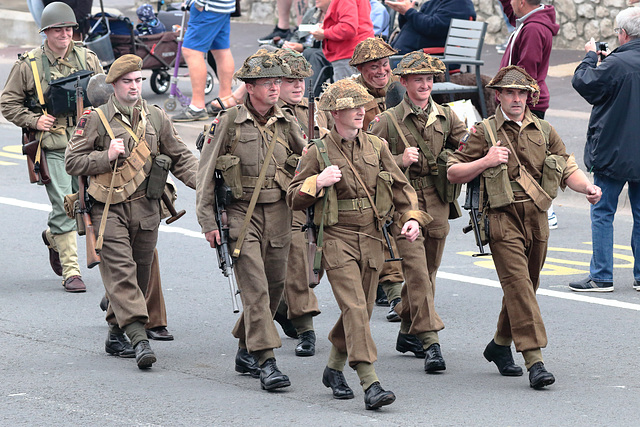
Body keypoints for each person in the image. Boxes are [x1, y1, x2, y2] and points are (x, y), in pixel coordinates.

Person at [447, 65, 602, 389]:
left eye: (522, 93)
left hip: (537, 219)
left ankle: (499, 345)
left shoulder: (544, 131)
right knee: (518, 286)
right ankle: (535, 360)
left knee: (527, 286)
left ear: (529, 97)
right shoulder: (483, 133)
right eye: (510, 93)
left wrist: (586, 188)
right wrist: (486, 161)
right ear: (499, 96)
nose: (517, 99)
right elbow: (453, 172)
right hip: (502, 220)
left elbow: (566, 166)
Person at [288, 78, 429, 409]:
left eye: (361, 107)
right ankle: (370, 382)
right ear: (336, 114)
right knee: (354, 307)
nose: (360, 112)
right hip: (336, 238)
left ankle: (333, 368)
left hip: (372, 237)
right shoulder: (318, 151)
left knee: (361, 311)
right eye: (351, 108)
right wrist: (317, 182)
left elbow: (401, 188)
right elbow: (293, 196)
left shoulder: (376, 148)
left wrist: (411, 217)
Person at [65, 54, 199, 369]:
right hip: (108, 208)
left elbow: (180, 157)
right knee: (121, 273)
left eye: (138, 80)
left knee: (139, 274)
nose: (135, 86)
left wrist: (205, 183)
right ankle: (139, 339)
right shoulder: (95, 118)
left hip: (147, 207)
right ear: (113, 85)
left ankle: (115, 332)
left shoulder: (155, 117)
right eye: (128, 82)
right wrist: (105, 157)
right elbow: (73, 161)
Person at [196, 50, 306, 390]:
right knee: (256, 291)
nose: (275, 88)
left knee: (274, 289)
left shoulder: (288, 122)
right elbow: (206, 172)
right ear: (250, 87)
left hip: (280, 212)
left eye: (278, 82)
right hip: (241, 215)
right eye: (267, 83)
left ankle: (246, 347)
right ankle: (266, 361)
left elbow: (307, 159)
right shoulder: (227, 121)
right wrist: (208, 222)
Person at [368, 51, 468, 371]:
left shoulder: (447, 116)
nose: (425, 85)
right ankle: (430, 341)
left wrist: (457, 161)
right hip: (403, 201)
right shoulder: (387, 120)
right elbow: (366, 162)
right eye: (417, 79)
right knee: (416, 270)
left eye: (429, 79)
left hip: (437, 198)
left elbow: (464, 147)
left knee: (430, 269)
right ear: (404, 82)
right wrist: (399, 161)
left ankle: (406, 330)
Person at [1, 2, 103, 293]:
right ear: (46, 32)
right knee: (64, 203)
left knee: (90, 201)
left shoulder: (88, 57)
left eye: (69, 29)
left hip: (86, 142)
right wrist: (34, 120)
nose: (65, 34)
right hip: (54, 144)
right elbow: (8, 103)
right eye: (58, 29)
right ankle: (72, 270)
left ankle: (53, 235)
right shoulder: (29, 64)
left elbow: (104, 93)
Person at [569, 7, 640, 293]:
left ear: (622, 34)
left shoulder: (616, 64)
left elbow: (585, 83)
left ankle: (601, 276)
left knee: (602, 210)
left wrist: (590, 56)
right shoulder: (618, 62)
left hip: (614, 149)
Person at [273, 48, 320, 356]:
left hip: (311, 194)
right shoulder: (267, 112)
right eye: (290, 80)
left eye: (301, 79)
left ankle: (281, 307)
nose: (298, 86)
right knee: (296, 263)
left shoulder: (313, 110)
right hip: (277, 200)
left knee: (313, 263)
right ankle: (305, 325)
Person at [498, 0, 560, 229]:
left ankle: (545, 208)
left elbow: (526, 73)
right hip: (525, 101)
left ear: (522, 2)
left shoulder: (533, 28)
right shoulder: (530, 19)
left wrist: (515, 101)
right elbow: (509, 8)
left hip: (526, 102)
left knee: (528, 158)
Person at [171, 0, 236, 121]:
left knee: (192, 51)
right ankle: (226, 100)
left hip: (207, 6)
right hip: (223, 6)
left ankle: (197, 107)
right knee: (221, 50)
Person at [310, 0, 374, 81]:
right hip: (359, 53)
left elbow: (348, 28)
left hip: (348, 55)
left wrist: (324, 33)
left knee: (348, 92)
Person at [386, 0, 476, 54]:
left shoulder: (459, 3)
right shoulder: (434, 2)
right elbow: (412, 26)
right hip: (407, 55)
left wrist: (408, 12)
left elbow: (434, 27)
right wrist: (404, 12)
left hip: (429, 57)